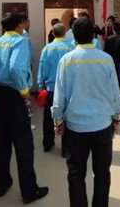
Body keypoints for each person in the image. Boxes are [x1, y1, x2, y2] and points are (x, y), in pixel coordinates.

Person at [52, 17, 120, 207]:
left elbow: (59, 96)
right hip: (102, 126)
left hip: (75, 129)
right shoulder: (106, 59)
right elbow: (115, 92)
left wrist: (58, 121)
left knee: (76, 175)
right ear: (93, 35)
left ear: (73, 37)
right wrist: (117, 116)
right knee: (102, 174)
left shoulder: (66, 61)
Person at [0, 13, 49, 204]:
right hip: (15, 96)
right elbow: (16, 68)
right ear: (20, 25)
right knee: (24, 146)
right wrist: (24, 92)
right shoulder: (20, 42)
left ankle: (2, 184)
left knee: (1, 144)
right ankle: (29, 191)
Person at [37, 23, 73, 154]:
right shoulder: (71, 48)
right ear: (65, 33)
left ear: (53, 33)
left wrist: (40, 85)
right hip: (67, 88)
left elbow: (42, 68)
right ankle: (66, 149)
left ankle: (47, 143)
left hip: (50, 88)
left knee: (48, 117)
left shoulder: (47, 48)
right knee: (66, 117)